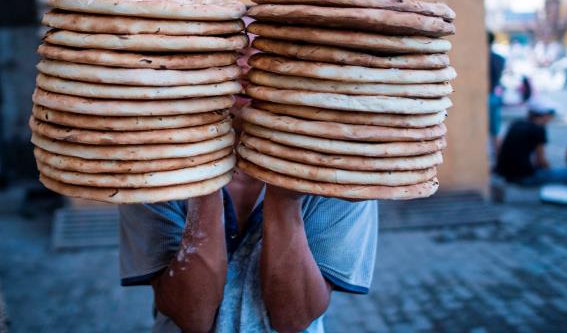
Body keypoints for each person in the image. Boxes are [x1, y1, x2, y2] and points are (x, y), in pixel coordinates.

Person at [117, 35, 378, 332]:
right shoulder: (150, 169)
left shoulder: (341, 174)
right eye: (231, 55)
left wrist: (284, 198)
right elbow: (191, 318)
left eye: (265, 58)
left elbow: (294, 319)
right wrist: (205, 180)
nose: (245, 68)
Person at [487, 31, 506, 154]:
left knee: (494, 131)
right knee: (495, 131)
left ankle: (499, 160)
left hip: (489, 97)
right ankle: (499, 160)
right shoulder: (500, 58)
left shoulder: (487, 58)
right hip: (494, 96)